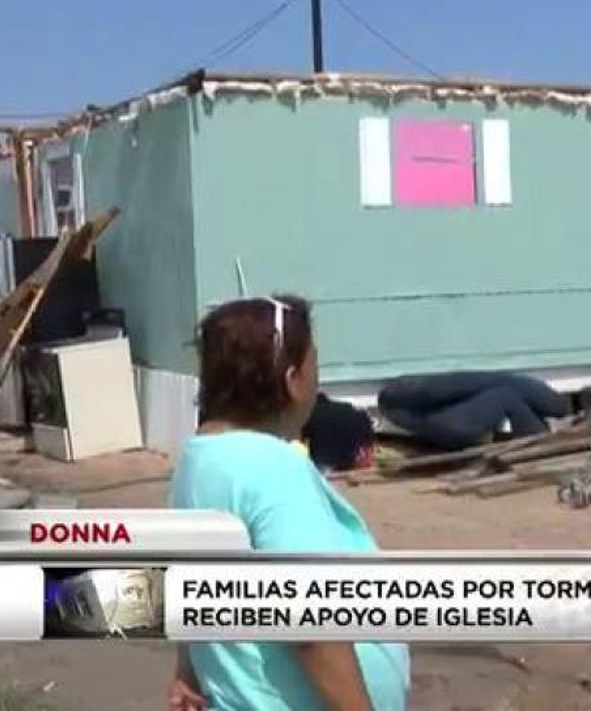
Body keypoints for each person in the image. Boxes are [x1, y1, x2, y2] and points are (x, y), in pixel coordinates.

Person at [167, 295, 410, 711]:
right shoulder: (273, 469)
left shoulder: (197, 462)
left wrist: (187, 670)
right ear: (293, 379)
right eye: (316, 363)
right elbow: (310, 623)